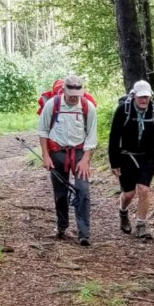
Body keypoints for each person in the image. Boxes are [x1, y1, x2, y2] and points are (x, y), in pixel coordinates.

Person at [38, 74, 97, 246]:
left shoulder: (88, 107)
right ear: (63, 90)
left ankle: (84, 233)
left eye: (77, 95)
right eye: (70, 94)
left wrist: (85, 160)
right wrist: (46, 156)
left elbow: (91, 137)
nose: (73, 98)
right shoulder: (52, 105)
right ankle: (62, 226)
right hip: (56, 152)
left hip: (79, 153)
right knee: (60, 192)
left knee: (83, 190)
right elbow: (43, 131)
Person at [107, 79, 154, 239]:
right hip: (127, 156)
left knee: (144, 190)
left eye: (146, 97)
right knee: (129, 194)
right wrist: (114, 162)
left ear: (150, 97)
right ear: (134, 96)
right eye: (141, 97)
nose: (143, 100)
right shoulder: (123, 110)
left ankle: (141, 225)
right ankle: (123, 212)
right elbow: (114, 137)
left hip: (147, 157)